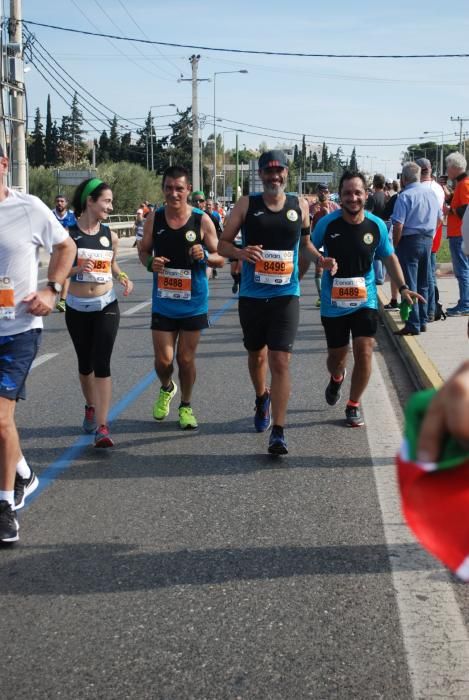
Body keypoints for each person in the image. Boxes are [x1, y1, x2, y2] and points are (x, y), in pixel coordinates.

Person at [218, 150, 336, 455]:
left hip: (286, 294)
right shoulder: (248, 204)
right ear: (260, 175)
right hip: (252, 296)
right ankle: (261, 398)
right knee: (257, 357)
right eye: (268, 172)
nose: (274, 177)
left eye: (279, 171)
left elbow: (306, 244)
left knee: (280, 360)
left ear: (286, 173)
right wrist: (241, 253)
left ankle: (279, 432)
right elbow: (222, 243)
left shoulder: (300, 205)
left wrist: (320, 259)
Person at [0, 146, 75, 543]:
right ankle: (24, 473)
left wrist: (52, 288)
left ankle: (4, 506)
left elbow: (66, 247)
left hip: (18, 330)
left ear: (4, 165)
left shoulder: (28, 208)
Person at [312, 170, 422, 428]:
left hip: (365, 299)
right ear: (341, 196)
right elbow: (307, 246)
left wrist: (403, 287)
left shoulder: (377, 225)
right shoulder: (327, 224)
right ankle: (337, 377)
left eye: (358, 192)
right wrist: (318, 260)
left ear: (366, 194)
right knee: (336, 359)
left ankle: (353, 404)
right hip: (333, 303)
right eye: (348, 193)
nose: (353, 198)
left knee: (364, 352)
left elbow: (389, 257)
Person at [139, 166, 224, 431]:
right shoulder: (155, 218)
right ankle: (167, 387)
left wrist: (206, 257)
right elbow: (143, 251)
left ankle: (186, 405)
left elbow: (222, 256)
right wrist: (150, 262)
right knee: (164, 361)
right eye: (169, 188)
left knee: (185, 359)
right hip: (164, 300)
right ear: (163, 189)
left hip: (194, 300)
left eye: (179, 188)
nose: (174, 193)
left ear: (188, 190)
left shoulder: (202, 220)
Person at [65, 178, 133, 448]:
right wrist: (77, 269)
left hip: (106, 304)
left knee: (102, 363)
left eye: (111, 201)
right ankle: (90, 406)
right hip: (77, 307)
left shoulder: (110, 235)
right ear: (90, 201)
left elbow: (113, 265)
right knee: (86, 364)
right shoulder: (68, 236)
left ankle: (102, 427)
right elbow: (57, 271)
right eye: (106, 201)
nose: (110, 206)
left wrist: (124, 277)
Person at [391, 162, 442, 335]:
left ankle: (413, 324)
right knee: (424, 282)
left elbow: (398, 225)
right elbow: (440, 218)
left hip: (409, 241)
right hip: (427, 239)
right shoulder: (431, 194)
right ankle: (423, 319)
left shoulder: (404, 196)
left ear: (404, 179)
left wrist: (395, 245)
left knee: (410, 283)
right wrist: (431, 235)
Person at [415, 158, 445, 321]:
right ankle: (430, 309)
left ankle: (429, 310)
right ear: (431, 169)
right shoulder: (438, 188)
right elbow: (440, 216)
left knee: (425, 277)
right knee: (429, 276)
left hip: (425, 238)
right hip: (434, 236)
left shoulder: (422, 189)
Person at [442, 152, 469, 316]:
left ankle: (465, 303)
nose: (447, 170)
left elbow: (466, 209)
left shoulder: (464, 184)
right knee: (462, 270)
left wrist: (450, 209)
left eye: (448, 167)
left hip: (459, 234)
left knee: (462, 270)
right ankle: (463, 301)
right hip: (457, 233)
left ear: (454, 168)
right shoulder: (461, 184)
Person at [309, 184, 341, 307]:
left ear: (329, 193)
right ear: (317, 192)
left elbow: (339, 224)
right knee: (319, 270)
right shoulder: (312, 207)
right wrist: (312, 214)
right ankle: (321, 296)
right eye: (321, 191)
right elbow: (306, 227)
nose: (323, 194)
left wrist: (327, 214)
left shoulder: (335, 207)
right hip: (318, 243)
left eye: (326, 191)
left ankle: (334, 294)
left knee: (333, 269)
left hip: (334, 243)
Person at [51, 194, 77, 312]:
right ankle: (53, 295)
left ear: (66, 203)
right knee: (56, 273)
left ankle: (62, 301)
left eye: (62, 201)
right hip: (54, 248)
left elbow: (78, 229)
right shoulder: (50, 214)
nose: (59, 203)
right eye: (57, 201)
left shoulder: (72, 216)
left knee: (66, 273)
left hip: (68, 249)